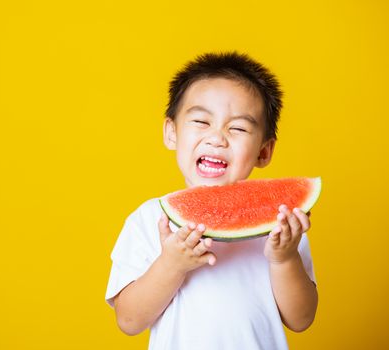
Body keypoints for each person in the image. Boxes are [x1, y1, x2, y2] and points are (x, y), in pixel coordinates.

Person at [105, 52, 318, 350]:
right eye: (201, 121)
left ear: (263, 152)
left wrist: (284, 257)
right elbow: (129, 321)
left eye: (239, 128)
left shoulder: (281, 224)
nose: (217, 138)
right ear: (171, 132)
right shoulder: (149, 219)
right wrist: (171, 264)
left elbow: (301, 319)